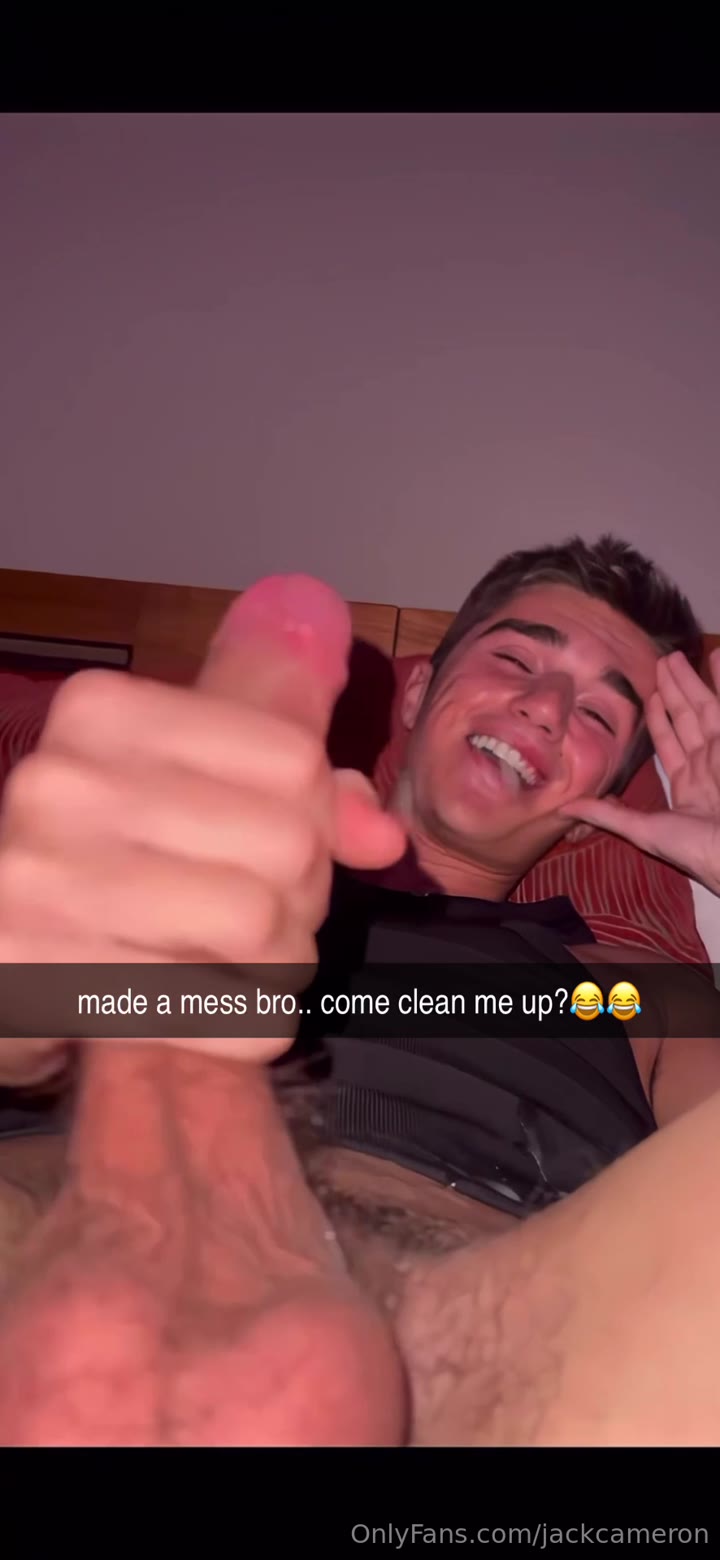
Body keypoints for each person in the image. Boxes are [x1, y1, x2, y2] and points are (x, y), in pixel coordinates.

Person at [1, 536, 720, 1447]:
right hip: (58, 1210)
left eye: (596, 716)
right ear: (416, 697)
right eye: (514, 659)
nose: (544, 707)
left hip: (501, 1323)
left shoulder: (635, 986)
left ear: (593, 818)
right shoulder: (183, 864)